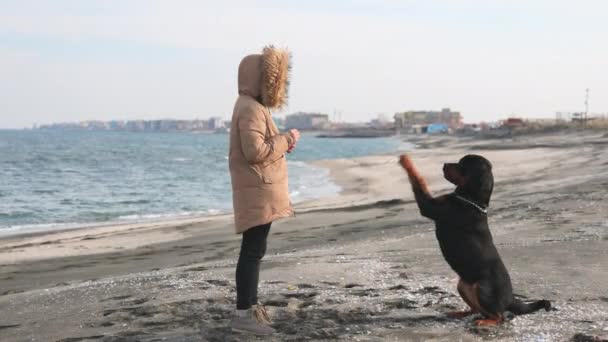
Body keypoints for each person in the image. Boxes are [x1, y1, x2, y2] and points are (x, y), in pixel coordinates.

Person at [228, 46, 300, 335]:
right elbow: (255, 151)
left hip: (258, 188)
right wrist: (286, 138)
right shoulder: (249, 108)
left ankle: (250, 309)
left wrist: (282, 142)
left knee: (254, 250)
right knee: (252, 252)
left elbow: (260, 149)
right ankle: (245, 314)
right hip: (257, 190)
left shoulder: (251, 106)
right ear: (259, 79)